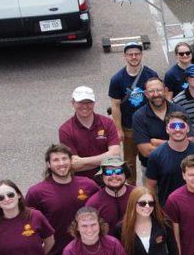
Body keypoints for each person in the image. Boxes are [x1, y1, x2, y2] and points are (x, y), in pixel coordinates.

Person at [107, 41, 159, 175]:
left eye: (137, 54)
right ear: (125, 56)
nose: (134, 57)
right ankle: (130, 190)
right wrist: (118, 129)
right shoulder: (117, 79)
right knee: (129, 162)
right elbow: (115, 105)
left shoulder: (151, 75)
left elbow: (158, 100)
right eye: (130, 55)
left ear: (141, 55)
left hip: (149, 126)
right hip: (128, 127)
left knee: (151, 158)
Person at [60, 85, 121, 179]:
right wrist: (105, 159)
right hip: (80, 181)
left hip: (109, 178)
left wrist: (83, 161)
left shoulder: (108, 123)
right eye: (80, 102)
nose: (85, 106)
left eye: (89, 102)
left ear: (94, 103)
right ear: (72, 103)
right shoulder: (65, 130)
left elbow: (115, 155)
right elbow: (74, 165)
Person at [145, 111, 194, 204]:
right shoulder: (156, 155)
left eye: (181, 126)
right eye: (173, 126)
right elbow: (150, 187)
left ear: (188, 128)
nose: (177, 130)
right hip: (168, 211)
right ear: (167, 129)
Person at [131, 76, 172, 169]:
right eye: (151, 91)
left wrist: (156, 142)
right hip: (151, 169)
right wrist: (177, 144)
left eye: (159, 90)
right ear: (146, 94)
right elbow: (146, 151)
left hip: (178, 167)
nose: (156, 94)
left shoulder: (179, 110)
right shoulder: (138, 117)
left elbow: (190, 141)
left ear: (165, 91)